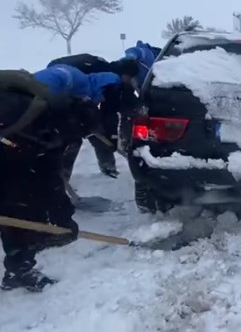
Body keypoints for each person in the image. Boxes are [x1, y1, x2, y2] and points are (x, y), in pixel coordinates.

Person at [0, 69, 107, 292]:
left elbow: (48, 178)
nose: (74, 141)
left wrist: (63, 218)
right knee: (18, 204)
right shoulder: (33, 118)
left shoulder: (45, 118)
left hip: (10, 152)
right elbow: (45, 179)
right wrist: (62, 219)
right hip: (9, 151)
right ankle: (20, 268)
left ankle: (19, 269)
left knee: (17, 207)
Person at [47, 54, 139, 178]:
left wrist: (110, 137)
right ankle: (61, 174)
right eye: (130, 77)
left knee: (95, 131)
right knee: (72, 136)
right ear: (125, 74)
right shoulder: (110, 80)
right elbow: (108, 113)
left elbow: (108, 112)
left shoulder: (108, 73)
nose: (131, 81)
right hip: (59, 89)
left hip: (59, 81)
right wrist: (109, 136)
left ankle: (107, 165)